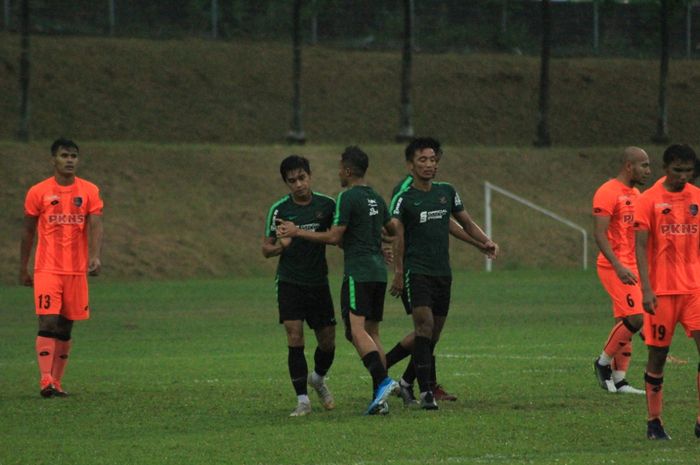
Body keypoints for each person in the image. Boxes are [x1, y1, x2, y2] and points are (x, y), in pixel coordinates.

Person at [276, 146, 399, 415]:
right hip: (379, 272)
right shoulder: (376, 198)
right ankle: (381, 400)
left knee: (356, 331)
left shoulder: (345, 198)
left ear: (346, 170)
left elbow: (334, 237)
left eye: (339, 168)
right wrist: (377, 241)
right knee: (372, 332)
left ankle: (383, 381)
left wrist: (297, 232)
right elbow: (393, 230)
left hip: (359, 272)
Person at [388, 137, 498, 410]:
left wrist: (485, 242)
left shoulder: (446, 192)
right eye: (422, 160)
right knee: (423, 327)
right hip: (417, 272)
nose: (428, 165)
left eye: (433, 160)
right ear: (410, 164)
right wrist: (399, 272)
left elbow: (465, 223)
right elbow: (397, 238)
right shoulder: (403, 198)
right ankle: (426, 393)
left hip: (442, 273)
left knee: (430, 336)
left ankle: (400, 379)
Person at [19, 138, 104, 398]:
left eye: (74, 156)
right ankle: (45, 380)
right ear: (53, 160)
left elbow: (96, 224)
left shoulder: (89, 190)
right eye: (64, 155)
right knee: (48, 320)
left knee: (66, 326)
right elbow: (28, 231)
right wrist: (24, 267)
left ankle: (56, 381)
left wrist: (95, 256)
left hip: (76, 271)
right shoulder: (38, 191)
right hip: (47, 269)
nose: (69, 160)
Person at [262, 155, 337, 417]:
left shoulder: (327, 205)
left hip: (318, 282)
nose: (298, 184)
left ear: (310, 176)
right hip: (289, 282)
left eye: (302, 178)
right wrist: (279, 248)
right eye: (292, 181)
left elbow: (337, 236)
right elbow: (265, 248)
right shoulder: (279, 210)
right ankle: (302, 400)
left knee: (328, 342)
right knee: (294, 336)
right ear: (286, 183)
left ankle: (317, 378)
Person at [634, 143, 700, 440]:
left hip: (695, 290)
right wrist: (645, 290)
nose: (683, 176)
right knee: (658, 356)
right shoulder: (649, 200)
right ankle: (654, 421)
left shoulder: (698, 198)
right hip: (661, 291)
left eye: (688, 171)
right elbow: (640, 246)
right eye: (678, 170)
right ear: (665, 169)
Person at [592, 147, 651, 395]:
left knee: (624, 322)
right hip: (613, 267)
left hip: (633, 267)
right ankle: (602, 363)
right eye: (644, 165)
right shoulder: (607, 192)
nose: (648, 171)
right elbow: (599, 233)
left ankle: (620, 380)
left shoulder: (636, 193)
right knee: (636, 317)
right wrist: (618, 265)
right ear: (629, 166)